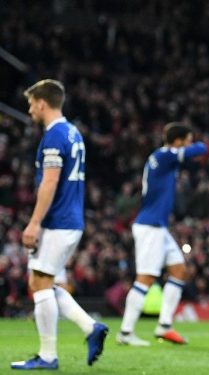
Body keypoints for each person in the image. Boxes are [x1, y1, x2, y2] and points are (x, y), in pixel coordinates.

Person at [12, 79, 108, 370]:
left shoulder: (55, 136)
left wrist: (34, 222)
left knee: (40, 283)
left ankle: (48, 356)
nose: (29, 110)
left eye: (31, 104)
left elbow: (51, 181)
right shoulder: (73, 132)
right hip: (69, 219)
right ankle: (90, 327)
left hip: (58, 221)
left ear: (42, 103)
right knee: (42, 282)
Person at [116, 122, 208, 346]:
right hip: (150, 227)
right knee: (145, 278)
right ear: (178, 141)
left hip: (158, 226)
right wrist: (196, 145)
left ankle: (164, 326)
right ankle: (126, 332)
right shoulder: (166, 154)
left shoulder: (161, 157)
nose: (189, 143)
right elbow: (201, 149)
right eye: (187, 139)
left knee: (179, 270)